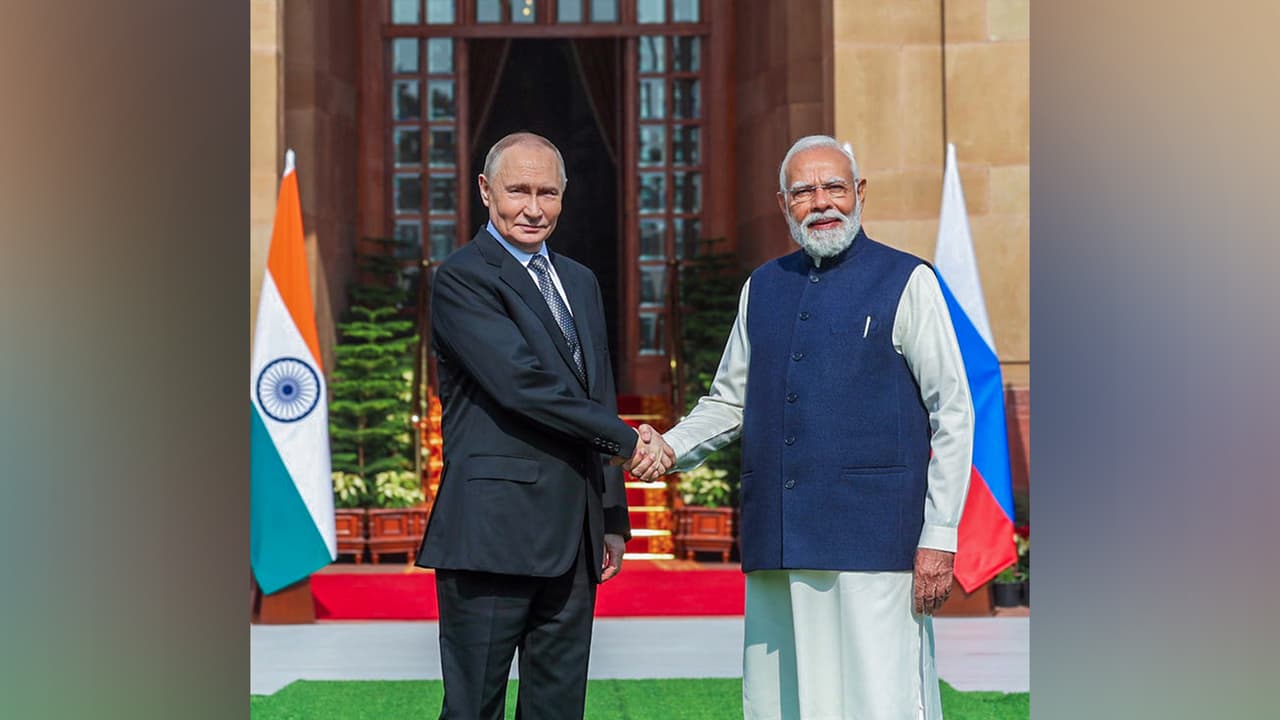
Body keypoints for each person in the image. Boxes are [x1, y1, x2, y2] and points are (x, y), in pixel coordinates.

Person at [641, 135, 975, 719]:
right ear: (783, 203)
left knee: (880, 703)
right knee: (781, 704)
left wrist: (939, 535)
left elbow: (954, 411)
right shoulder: (761, 287)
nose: (822, 202)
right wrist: (667, 448)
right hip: (780, 539)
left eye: (834, 187)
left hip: (877, 544)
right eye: (804, 191)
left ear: (860, 193)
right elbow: (729, 401)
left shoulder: (908, 280)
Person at [416, 132, 669, 720]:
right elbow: (522, 384)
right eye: (518, 191)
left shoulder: (580, 281)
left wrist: (610, 518)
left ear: (563, 196)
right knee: (473, 707)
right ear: (485, 191)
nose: (533, 207)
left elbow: (597, 392)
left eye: (548, 193)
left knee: (558, 708)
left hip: (574, 538)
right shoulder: (462, 278)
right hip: (490, 537)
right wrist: (633, 442)